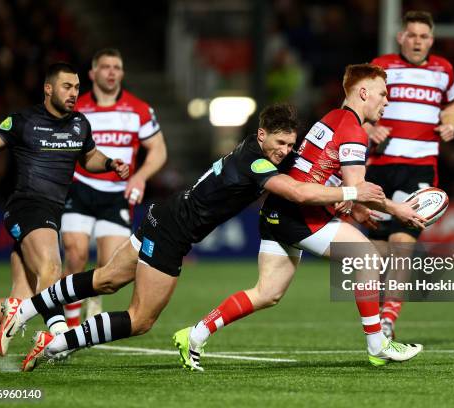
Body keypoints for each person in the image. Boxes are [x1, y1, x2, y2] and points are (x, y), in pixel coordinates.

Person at [0, 103, 386, 371]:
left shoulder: (255, 151)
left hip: (162, 214)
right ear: (262, 134)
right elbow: (300, 193)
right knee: (141, 320)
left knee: (105, 279)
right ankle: (57, 343)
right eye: (280, 143)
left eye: (290, 144)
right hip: (172, 232)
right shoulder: (256, 162)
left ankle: (27, 309)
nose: (286, 151)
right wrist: (354, 193)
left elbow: (306, 173)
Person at [174, 63, 426, 372]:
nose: (387, 101)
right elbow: (357, 187)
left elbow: (327, 175)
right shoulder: (353, 130)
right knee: (368, 258)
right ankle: (378, 345)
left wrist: (356, 204)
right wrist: (398, 209)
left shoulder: (333, 118)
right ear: (364, 93)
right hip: (300, 214)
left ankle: (194, 335)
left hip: (277, 212)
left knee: (267, 293)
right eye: (383, 94)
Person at [0, 63, 129, 351]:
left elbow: (89, 156)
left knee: (20, 302)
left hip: (51, 213)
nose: (73, 93)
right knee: (52, 267)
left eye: (77, 88)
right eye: (67, 87)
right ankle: (59, 339)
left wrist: (108, 164)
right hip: (27, 207)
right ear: (48, 88)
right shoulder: (23, 121)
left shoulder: (80, 124)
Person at [363, 11, 454, 339]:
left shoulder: (443, 70)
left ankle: (388, 319)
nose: (417, 41)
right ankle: (375, 316)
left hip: (419, 167)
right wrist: (370, 126)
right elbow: (355, 106)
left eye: (424, 36)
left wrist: (451, 125)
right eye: (412, 35)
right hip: (379, 167)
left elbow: (452, 104)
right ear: (400, 37)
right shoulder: (381, 66)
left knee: (402, 243)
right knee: (375, 250)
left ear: (431, 40)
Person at [61, 48, 167, 326]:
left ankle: (92, 298)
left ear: (122, 73)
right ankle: (70, 327)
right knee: (75, 253)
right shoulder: (76, 108)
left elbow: (158, 150)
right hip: (80, 188)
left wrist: (140, 176)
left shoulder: (139, 109)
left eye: (116, 67)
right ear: (92, 74)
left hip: (117, 196)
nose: (111, 72)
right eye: (105, 67)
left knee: (109, 269)